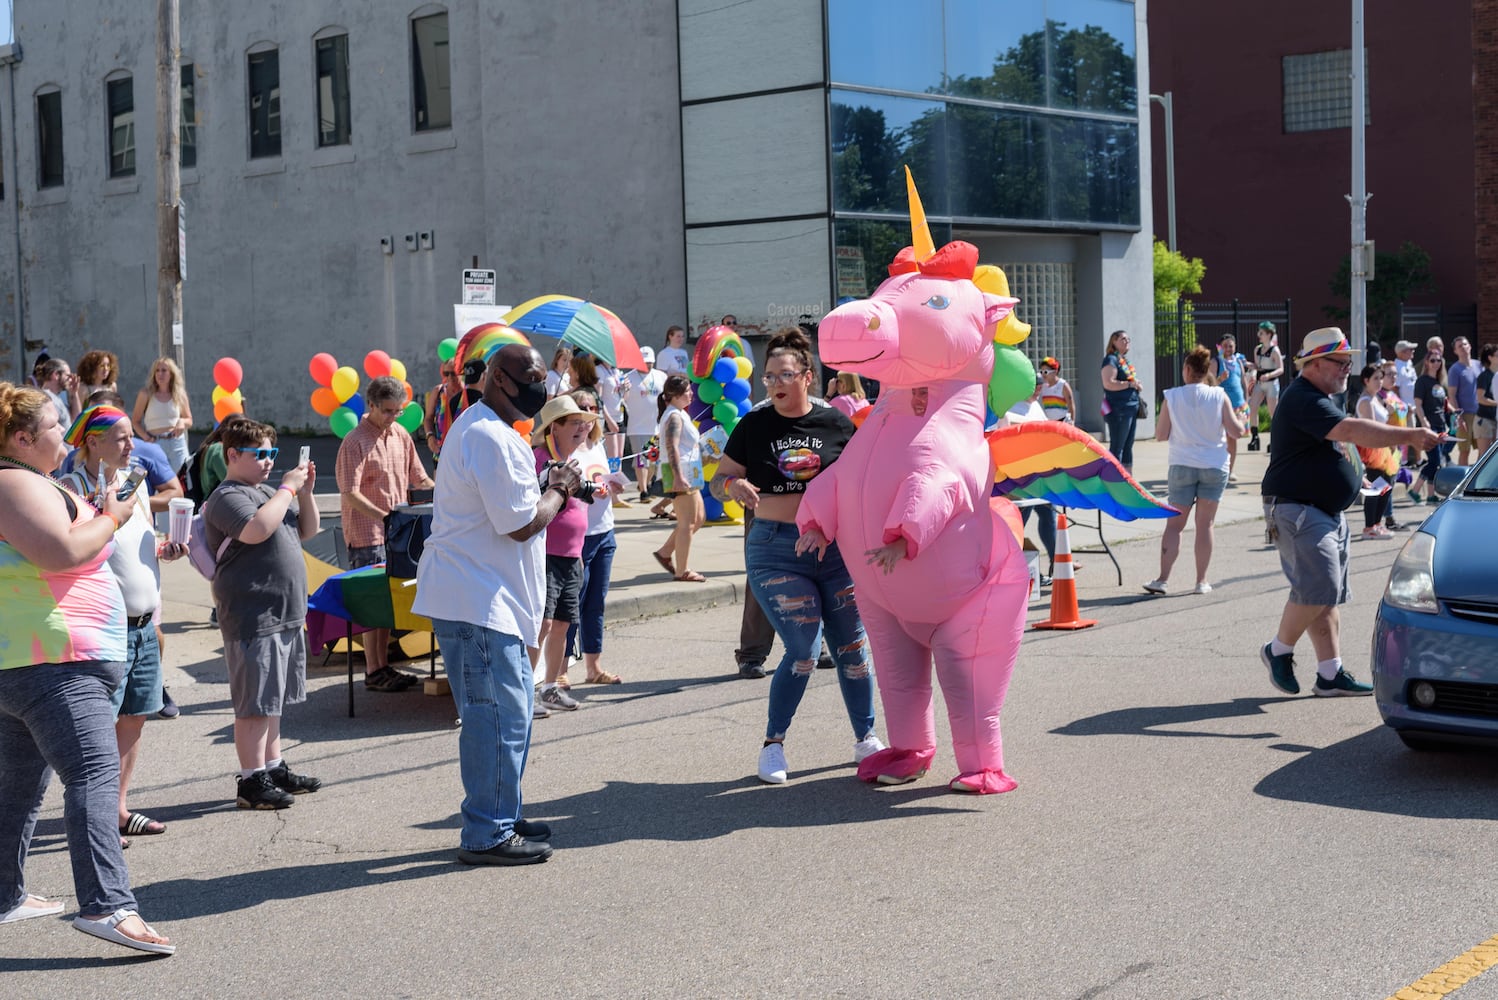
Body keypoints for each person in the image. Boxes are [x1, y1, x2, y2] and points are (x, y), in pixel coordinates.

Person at [0, 382, 175, 955]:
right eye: (55, 425)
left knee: (20, 788)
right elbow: (62, 552)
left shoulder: (24, 481)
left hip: (39, 659)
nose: (64, 432)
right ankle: (107, 905)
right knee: (95, 778)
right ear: (23, 439)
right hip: (53, 662)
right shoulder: (13, 482)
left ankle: (5, 895)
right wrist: (113, 514)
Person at [412, 343, 580, 866]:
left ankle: (501, 808)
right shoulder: (486, 433)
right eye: (532, 378)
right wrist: (559, 488)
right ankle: (487, 830)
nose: (541, 388)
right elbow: (519, 522)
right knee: (497, 719)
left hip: (489, 598)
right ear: (501, 380)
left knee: (512, 717)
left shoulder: (492, 429)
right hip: (477, 600)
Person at [709, 327, 882, 784]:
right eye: (768, 378)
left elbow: (861, 481)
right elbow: (718, 479)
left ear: (807, 376)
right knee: (803, 650)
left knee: (852, 649)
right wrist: (732, 485)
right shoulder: (754, 424)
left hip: (834, 549)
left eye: (785, 375)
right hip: (776, 548)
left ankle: (866, 738)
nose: (775, 385)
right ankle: (773, 745)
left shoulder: (836, 424)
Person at [1258, 329, 1441, 699]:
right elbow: (1351, 430)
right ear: (1314, 364)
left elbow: (1340, 445)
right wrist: (1408, 436)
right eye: (1340, 362)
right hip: (1299, 508)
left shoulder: (1321, 397)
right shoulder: (1304, 398)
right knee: (1318, 586)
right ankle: (1277, 650)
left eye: (1349, 362)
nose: (1347, 369)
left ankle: (1330, 673)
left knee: (1326, 594)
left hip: (1322, 509)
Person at [57, 405, 186, 841]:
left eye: (132, 436)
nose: (133, 446)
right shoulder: (69, 489)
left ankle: (117, 808)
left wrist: (164, 549)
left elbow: (136, 545)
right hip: (104, 629)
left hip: (146, 624)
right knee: (100, 726)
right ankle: (96, 818)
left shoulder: (134, 482)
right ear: (93, 442)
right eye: (123, 438)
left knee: (134, 717)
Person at [202, 420, 323, 809]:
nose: (269, 462)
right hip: (253, 612)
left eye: (273, 453)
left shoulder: (269, 491)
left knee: (272, 699)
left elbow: (308, 529)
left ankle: (273, 765)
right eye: (261, 455)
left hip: (283, 611)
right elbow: (256, 530)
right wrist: (288, 488)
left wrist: (304, 494)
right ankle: (251, 780)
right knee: (254, 703)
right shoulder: (228, 496)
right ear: (233, 455)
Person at [334, 376, 435, 693]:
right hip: (367, 533)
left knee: (388, 604)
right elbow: (349, 493)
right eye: (388, 411)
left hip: (397, 535)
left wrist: (450, 495)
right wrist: (386, 517)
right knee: (370, 604)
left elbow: (420, 479)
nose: (393, 417)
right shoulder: (355, 441)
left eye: (398, 412)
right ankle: (373, 669)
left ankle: (381, 666)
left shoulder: (401, 434)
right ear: (371, 405)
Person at [1142, 347, 1245, 595]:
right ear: (1207, 370)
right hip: (1214, 464)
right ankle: (1201, 581)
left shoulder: (1173, 396)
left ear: (1187, 369)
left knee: (1174, 526)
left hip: (1182, 463)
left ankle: (1162, 579)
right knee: (1205, 524)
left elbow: (1160, 435)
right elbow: (1236, 431)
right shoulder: (1219, 395)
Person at [529, 394, 602, 713]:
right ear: (553, 427)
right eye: (575, 423)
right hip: (545, 555)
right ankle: (525, 692)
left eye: (585, 425)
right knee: (540, 626)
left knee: (561, 625)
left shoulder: (573, 460)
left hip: (571, 556)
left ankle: (550, 688)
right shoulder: (538, 459)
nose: (583, 429)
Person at [562, 388, 625, 687]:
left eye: (591, 410)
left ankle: (593, 667)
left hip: (604, 532)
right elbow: (564, 489)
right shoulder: (568, 449)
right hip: (580, 536)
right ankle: (560, 669)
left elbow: (602, 480)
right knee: (572, 603)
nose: (586, 419)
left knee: (596, 603)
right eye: (580, 410)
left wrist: (612, 487)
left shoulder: (597, 445)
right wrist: (590, 490)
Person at [62, 390, 185, 515]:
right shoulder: (72, 468)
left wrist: (134, 503)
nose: (131, 446)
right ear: (92, 442)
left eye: (103, 412)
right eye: (92, 413)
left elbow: (176, 493)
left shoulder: (141, 475)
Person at [651, 374, 706, 582]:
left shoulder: (679, 413)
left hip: (689, 471)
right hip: (681, 473)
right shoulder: (674, 415)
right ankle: (682, 570)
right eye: (687, 391)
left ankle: (665, 552)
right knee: (687, 523)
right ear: (674, 395)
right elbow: (671, 447)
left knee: (698, 518)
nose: (691, 394)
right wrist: (678, 476)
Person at [1353, 365, 1400, 540]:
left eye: (1381, 378)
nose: (1380, 382)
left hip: (1382, 448)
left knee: (1385, 487)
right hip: (1372, 449)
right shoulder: (1365, 400)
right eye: (1376, 378)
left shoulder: (1374, 398)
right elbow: (1373, 428)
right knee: (1376, 488)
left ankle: (1376, 524)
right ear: (1366, 380)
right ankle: (1369, 527)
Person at [131, 357, 193, 477]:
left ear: (171, 373)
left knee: (182, 479)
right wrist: (145, 437)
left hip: (176, 444)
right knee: (153, 479)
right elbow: (135, 421)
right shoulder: (145, 394)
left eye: (164, 370)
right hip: (155, 442)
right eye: (157, 371)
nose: (160, 374)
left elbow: (189, 420)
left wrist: (182, 422)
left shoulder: (179, 394)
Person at [623, 346, 666, 502]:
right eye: (644, 362)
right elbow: (623, 398)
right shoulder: (629, 377)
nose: (647, 365)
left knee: (654, 461)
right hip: (637, 426)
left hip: (655, 426)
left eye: (650, 362)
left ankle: (645, 485)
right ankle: (644, 491)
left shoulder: (661, 376)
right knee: (641, 460)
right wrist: (623, 389)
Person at [1410, 351, 1451, 505]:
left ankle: (1430, 495)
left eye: (1438, 360)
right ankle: (1415, 491)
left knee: (1437, 460)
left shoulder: (1440, 382)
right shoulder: (1422, 381)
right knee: (1434, 461)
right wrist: (1424, 421)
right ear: (1426, 362)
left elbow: (1444, 404)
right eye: (1432, 360)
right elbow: (1418, 404)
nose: (1436, 363)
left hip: (1441, 425)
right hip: (1429, 426)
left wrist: (1454, 412)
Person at [1099, 329, 1141, 473]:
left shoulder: (1123, 360)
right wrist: (1130, 384)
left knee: (1128, 445)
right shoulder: (1111, 359)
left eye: (1128, 339)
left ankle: (1128, 480)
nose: (1126, 341)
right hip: (1119, 409)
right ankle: (1114, 479)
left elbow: (1127, 379)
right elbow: (1108, 383)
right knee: (1118, 445)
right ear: (1114, 342)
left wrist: (1136, 384)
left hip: (1130, 407)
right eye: (1123, 339)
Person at [1214, 334, 1250, 483]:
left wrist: (1246, 402)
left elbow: (1243, 383)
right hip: (1222, 407)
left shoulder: (1238, 362)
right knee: (1222, 439)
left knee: (1233, 439)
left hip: (1238, 406)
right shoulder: (1216, 362)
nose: (1228, 349)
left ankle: (1230, 471)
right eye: (1225, 346)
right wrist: (1219, 379)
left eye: (1231, 346)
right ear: (1221, 347)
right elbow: (1208, 386)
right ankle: (1219, 469)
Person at [1246, 322, 1283, 452]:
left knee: (1273, 412)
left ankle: (1275, 440)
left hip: (1271, 383)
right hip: (1259, 383)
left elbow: (1281, 369)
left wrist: (1269, 375)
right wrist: (1250, 365)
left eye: (1261, 333)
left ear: (1268, 334)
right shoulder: (1257, 349)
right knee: (1253, 406)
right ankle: (1255, 437)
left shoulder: (1275, 351)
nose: (1258, 335)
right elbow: (1258, 366)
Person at [421, 358, 464, 460]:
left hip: (464, 452)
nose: (449, 377)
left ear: (462, 372)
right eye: (446, 373)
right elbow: (428, 418)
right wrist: (430, 436)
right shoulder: (438, 391)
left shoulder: (468, 393)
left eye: (453, 373)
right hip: (441, 451)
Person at [1448, 336, 1480, 465]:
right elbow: (1452, 395)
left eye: (1465, 344)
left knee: (1484, 450)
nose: (1463, 348)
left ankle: (1478, 478)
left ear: (1470, 346)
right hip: (1465, 415)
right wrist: (1458, 417)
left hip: (1481, 414)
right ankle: (1464, 481)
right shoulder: (1455, 370)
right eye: (1459, 346)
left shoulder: (1479, 365)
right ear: (1455, 351)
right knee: (1464, 450)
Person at [36, 358, 82, 425]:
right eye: (68, 376)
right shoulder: (47, 399)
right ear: (56, 375)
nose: (70, 379)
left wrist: (74, 393)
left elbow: (76, 420)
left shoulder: (57, 397)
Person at [1474, 343, 1498, 458]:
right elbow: (1481, 398)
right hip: (1484, 421)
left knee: (1492, 457)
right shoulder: (1484, 376)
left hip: (1494, 419)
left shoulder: (1496, 375)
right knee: (1484, 457)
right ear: (1490, 358)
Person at [1037, 357, 1075, 423]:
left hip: (1062, 421)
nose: (1043, 375)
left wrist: (1072, 422)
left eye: (1046, 372)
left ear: (1055, 371)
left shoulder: (1063, 385)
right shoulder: (1043, 386)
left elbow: (1071, 405)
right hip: (1049, 422)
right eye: (1041, 372)